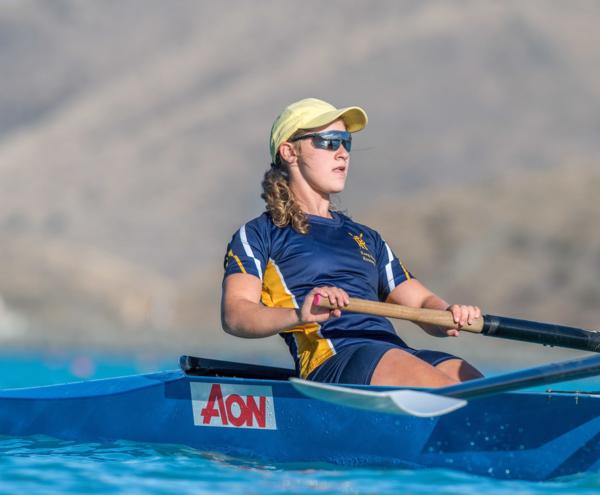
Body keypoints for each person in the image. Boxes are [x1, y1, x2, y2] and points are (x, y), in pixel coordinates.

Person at [221, 98, 483, 387]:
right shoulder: (259, 234)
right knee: (452, 393)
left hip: (391, 352)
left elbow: (421, 302)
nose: (343, 153)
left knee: (471, 381)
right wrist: (299, 314)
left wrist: (449, 313)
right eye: (330, 142)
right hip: (334, 360)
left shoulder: (367, 238)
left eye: (347, 142)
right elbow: (236, 314)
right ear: (289, 152)